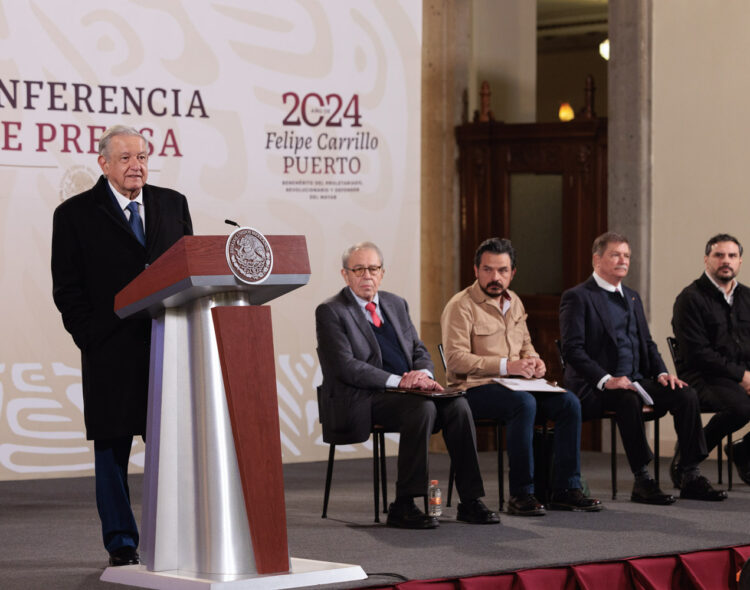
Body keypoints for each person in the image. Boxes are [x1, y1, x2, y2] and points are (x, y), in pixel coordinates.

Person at [51, 125, 193, 566]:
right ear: (104, 164)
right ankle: (121, 543)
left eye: (143, 157)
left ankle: (174, 534)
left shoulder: (173, 204)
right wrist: (88, 335)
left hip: (166, 345)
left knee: (171, 445)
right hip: (109, 349)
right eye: (127, 158)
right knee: (112, 450)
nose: (137, 166)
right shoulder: (74, 214)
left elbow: (189, 268)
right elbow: (67, 288)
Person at [315, 241, 499, 529]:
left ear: (382, 273)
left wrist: (423, 376)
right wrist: (399, 380)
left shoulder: (395, 303)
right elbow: (346, 367)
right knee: (422, 409)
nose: (367, 275)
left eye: (373, 269)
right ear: (345, 274)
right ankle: (404, 503)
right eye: (359, 269)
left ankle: (470, 500)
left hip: (409, 392)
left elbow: (418, 350)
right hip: (364, 397)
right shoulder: (331, 311)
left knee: (459, 406)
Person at [559, 231, 726, 505]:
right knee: (627, 398)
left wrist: (661, 373)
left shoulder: (632, 297)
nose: (623, 260)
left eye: (626, 256)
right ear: (597, 259)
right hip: (595, 387)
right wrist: (606, 379)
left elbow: (647, 343)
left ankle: (690, 473)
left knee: (685, 393)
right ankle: (642, 479)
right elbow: (573, 350)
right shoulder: (578, 297)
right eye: (615, 255)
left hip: (636, 380)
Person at [441, 238, 601, 516]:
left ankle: (565, 489)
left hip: (515, 385)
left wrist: (534, 362)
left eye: (502, 271)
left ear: (513, 272)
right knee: (523, 404)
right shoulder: (460, 305)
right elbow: (455, 360)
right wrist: (507, 366)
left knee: (569, 404)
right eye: (488, 270)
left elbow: (526, 345)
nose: (495, 277)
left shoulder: (514, 301)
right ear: (475, 270)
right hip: (472, 389)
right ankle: (522, 493)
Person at [671, 233, 750, 486]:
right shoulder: (690, 299)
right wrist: (742, 376)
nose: (725, 261)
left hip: (740, 375)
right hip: (702, 376)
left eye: (732, 256)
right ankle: (688, 455)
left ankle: (744, 449)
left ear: (740, 261)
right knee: (741, 407)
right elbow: (698, 354)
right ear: (707, 260)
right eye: (718, 255)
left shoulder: (748, 297)